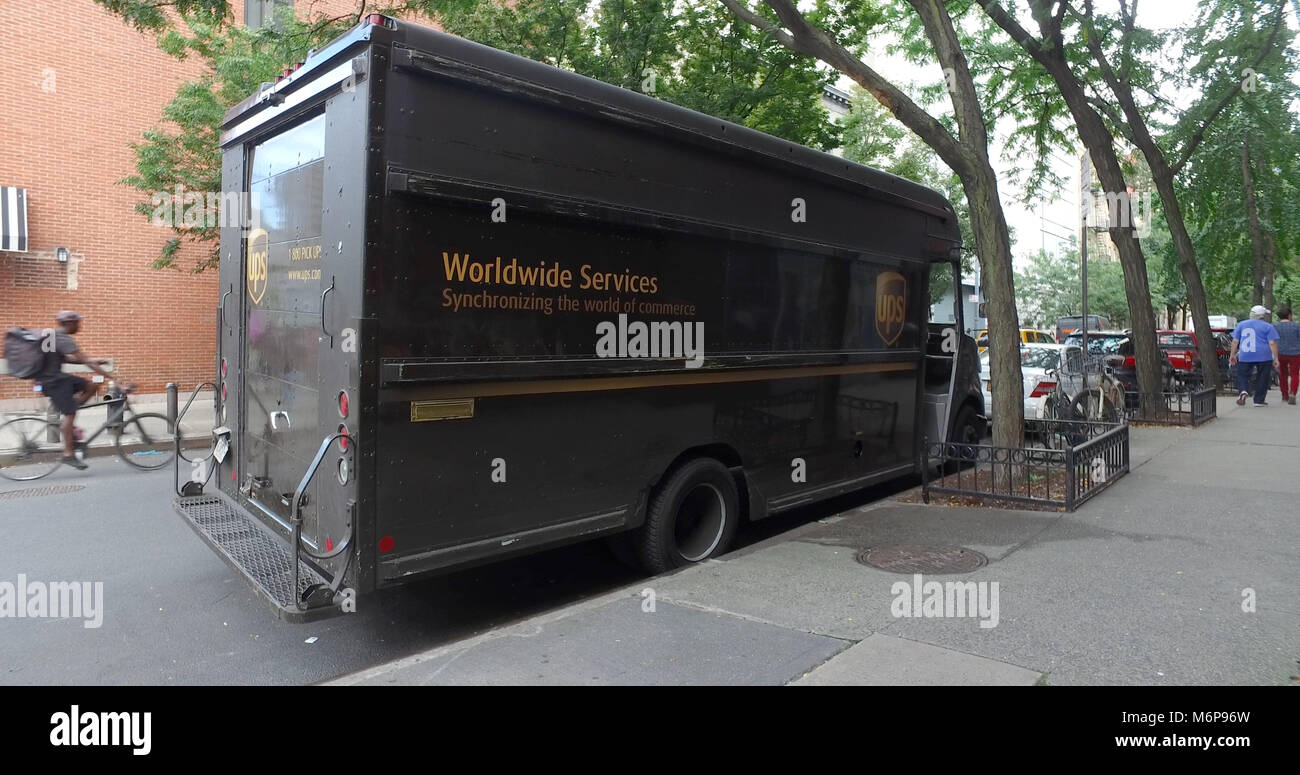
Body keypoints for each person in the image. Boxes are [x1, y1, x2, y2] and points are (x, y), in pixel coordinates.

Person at [35, 311, 115, 470]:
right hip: (54, 382)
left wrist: (94, 360)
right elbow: (84, 360)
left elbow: (70, 359)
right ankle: (68, 454)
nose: (80, 325)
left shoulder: (53, 336)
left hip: (53, 379)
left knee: (91, 385)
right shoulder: (63, 337)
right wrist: (114, 379)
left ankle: (70, 419)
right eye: (78, 322)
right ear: (69, 323)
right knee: (70, 413)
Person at [1228, 305, 1280, 407]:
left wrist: (1232, 355)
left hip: (1245, 355)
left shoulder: (1241, 325)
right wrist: (1276, 358)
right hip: (1264, 356)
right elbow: (1272, 343)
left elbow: (1235, 341)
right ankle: (1258, 400)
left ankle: (1243, 390)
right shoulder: (1268, 326)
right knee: (1263, 377)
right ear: (1262, 316)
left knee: (1242, 375)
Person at [1276, 306, 1300, 405]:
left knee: (1283, 374)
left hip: (1280, 353)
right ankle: (1293, 393)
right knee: (1295, 374)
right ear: (1289, 316)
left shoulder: (1274, 326)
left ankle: (1284, 395)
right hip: (1295, 353)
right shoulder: (1297, 326)